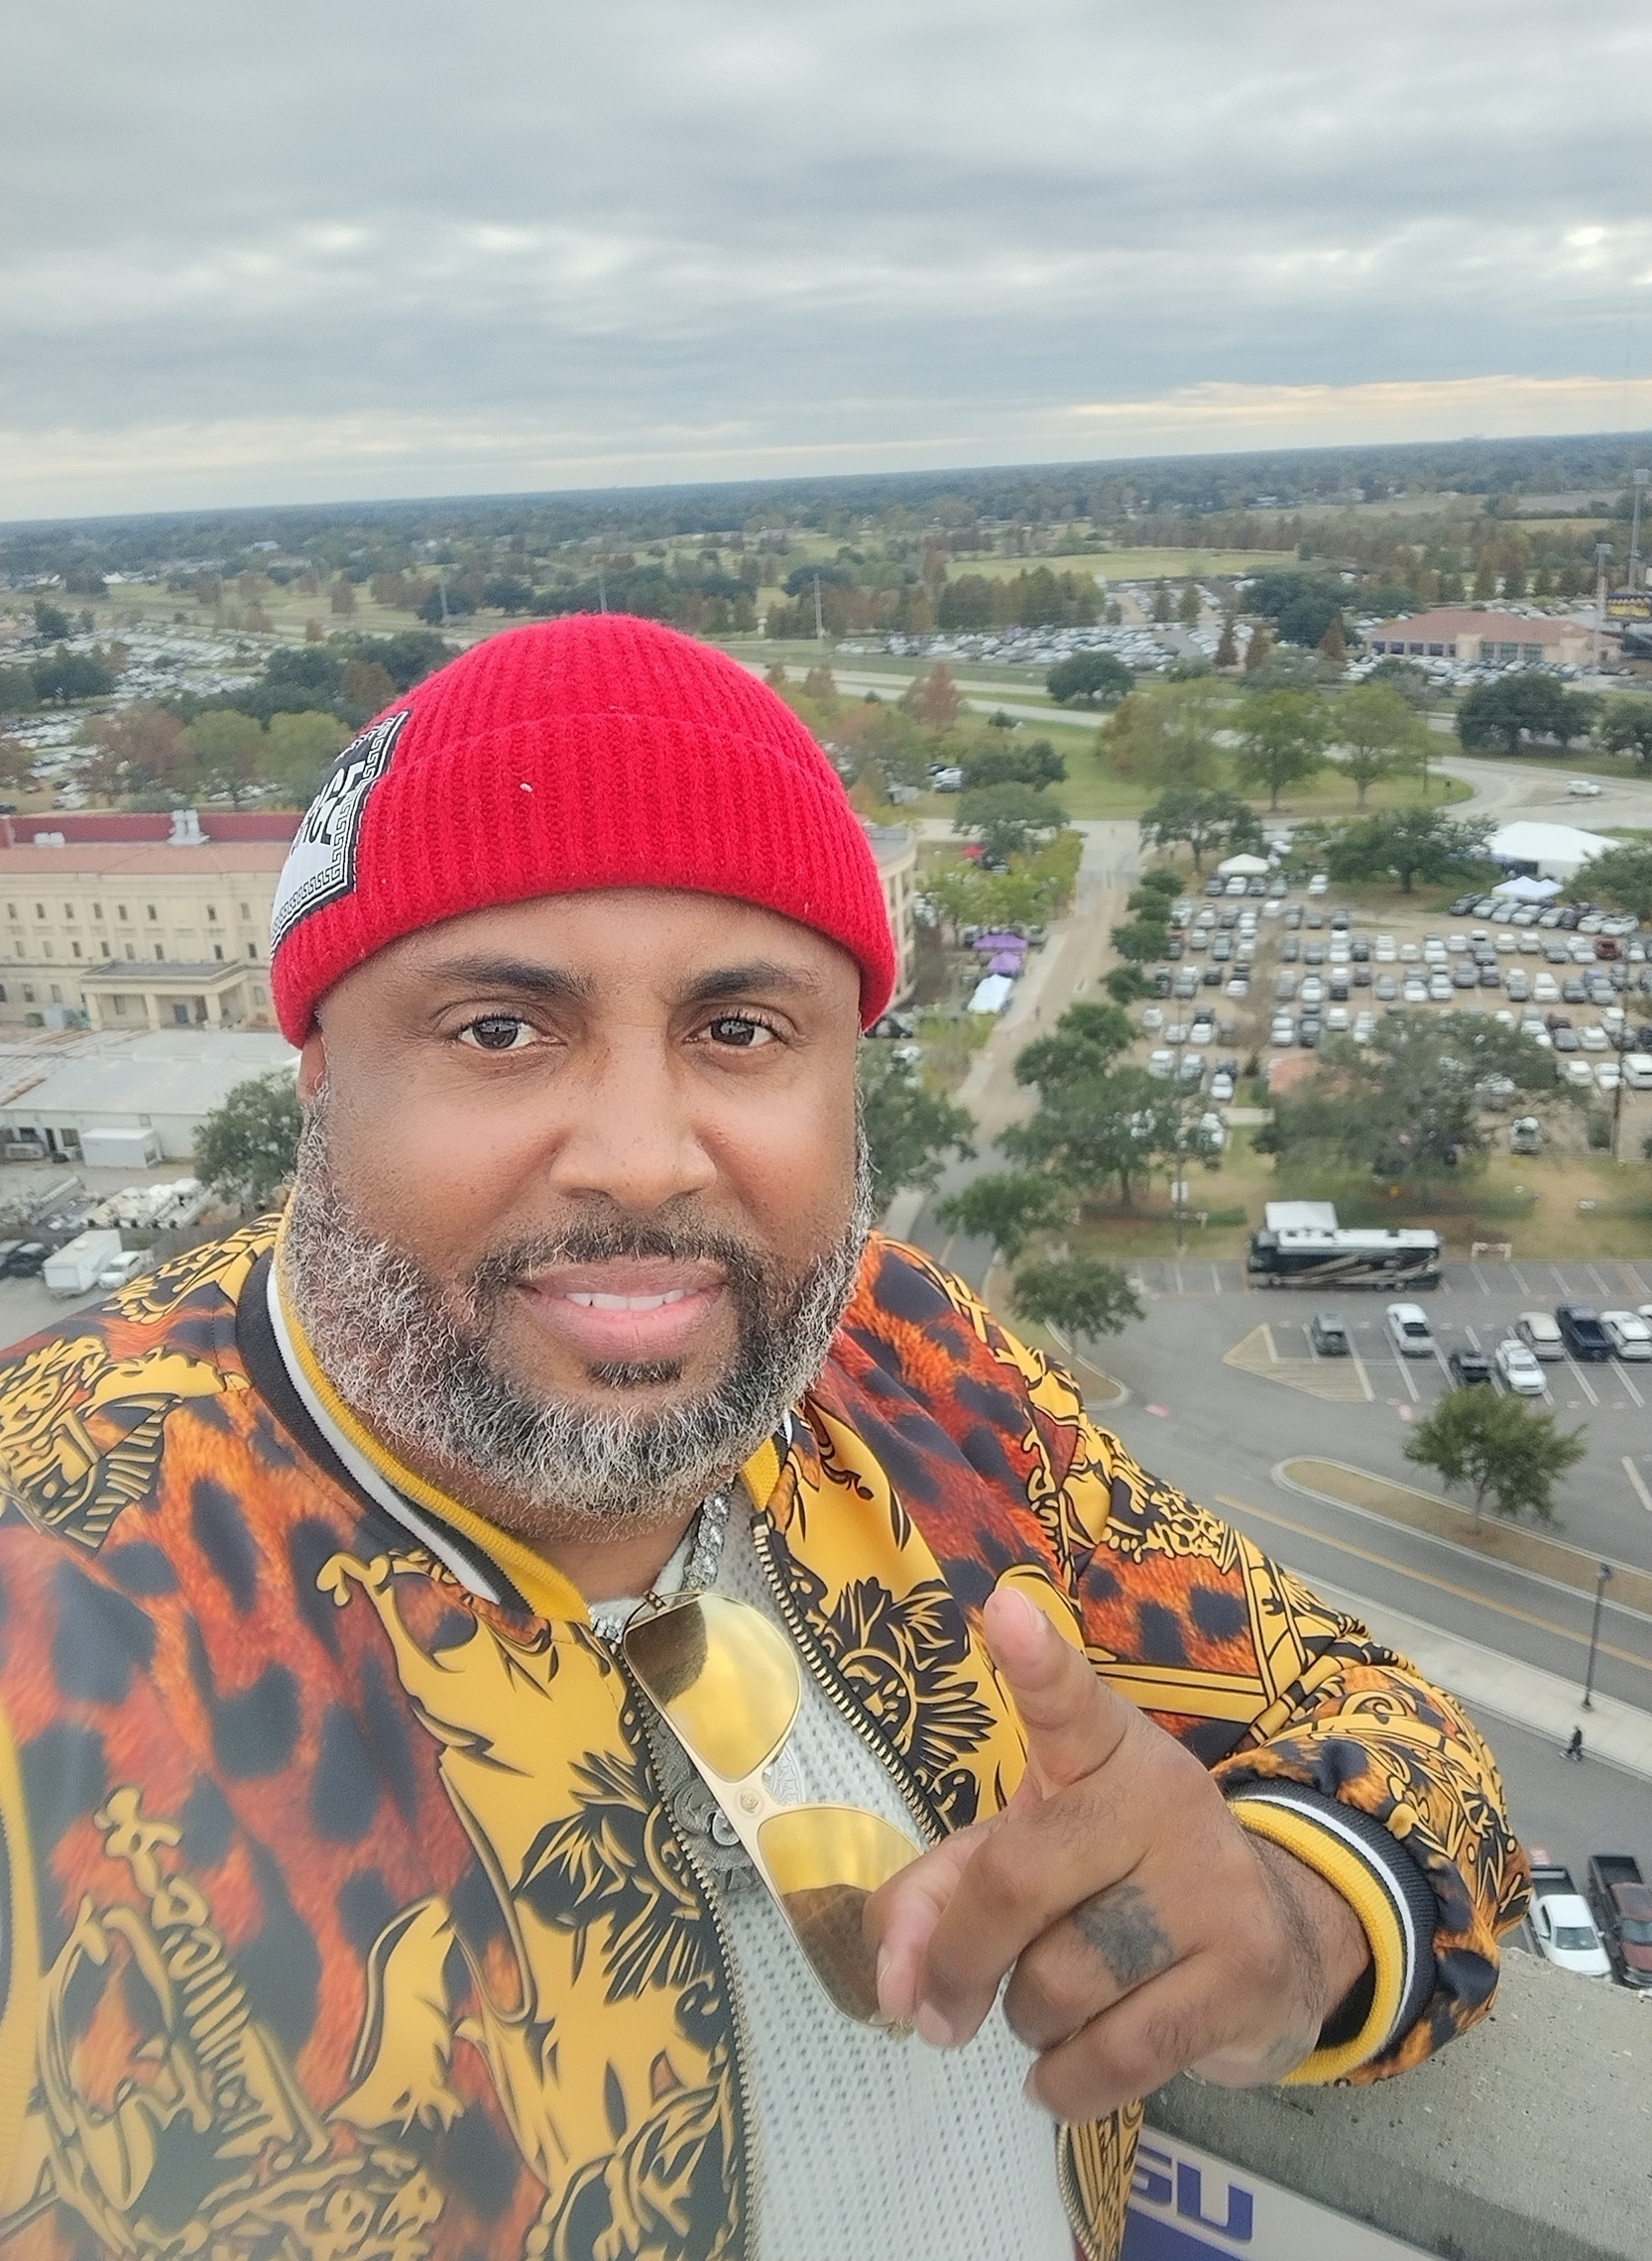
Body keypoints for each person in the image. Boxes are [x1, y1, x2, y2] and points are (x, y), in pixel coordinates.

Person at [0, 617, 1526, 2261]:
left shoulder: (897, 1354)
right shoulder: (59, 1564)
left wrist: (1293, 1911)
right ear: (316, 1072)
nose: (643, 1157)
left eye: (740, 1030)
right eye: (500, 1029)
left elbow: (1372, 1713)